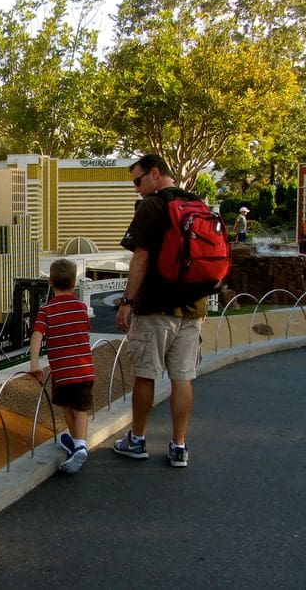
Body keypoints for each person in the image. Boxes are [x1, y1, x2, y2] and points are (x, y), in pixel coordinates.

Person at [113, 154, 206, 468]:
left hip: (155, 307)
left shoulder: (151, 206)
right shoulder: (198, 204)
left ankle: (137, 440)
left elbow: (141, 258)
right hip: (193, 308)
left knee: (145, 374)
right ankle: (179, 446)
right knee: (183, 378)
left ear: (155, 173)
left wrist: (127, 301)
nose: (137, 189)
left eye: (138, 181)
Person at [29, 258, 95, 474]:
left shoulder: (46, 310)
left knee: (67, 407)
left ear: (50, 282)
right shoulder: (81, 307)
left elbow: (37, 335)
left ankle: (79, 444)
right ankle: (79, 444)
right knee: (81, 409)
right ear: (74, 282)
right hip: (85, 368)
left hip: (62, 372)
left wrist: (35, 363)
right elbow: (84, 334)